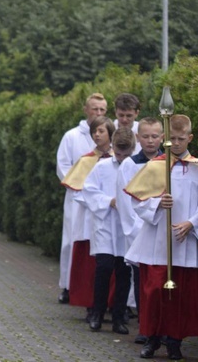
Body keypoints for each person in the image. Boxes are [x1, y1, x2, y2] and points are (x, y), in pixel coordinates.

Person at [125, 114, 198, 360]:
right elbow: (137, 201)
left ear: (190, 138)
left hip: (185, 242)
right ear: (165, 138)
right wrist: (158, 204)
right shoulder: (155, 166)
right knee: (154, 292)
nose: (177, 144)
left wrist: (192, 223)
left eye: (181, 139)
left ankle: (174, 341)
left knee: (180, 296)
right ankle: (151, 339)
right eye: (172, 139)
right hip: (157, 243)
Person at [77, 126, 135, 335]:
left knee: (123, 271)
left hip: (125, 227)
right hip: (105, 224)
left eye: (125, 154)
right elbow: (89, 190)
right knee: (103, 267)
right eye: (118, 154)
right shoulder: (102, 167)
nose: (121, 158)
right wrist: (108, 201)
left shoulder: (135, 168)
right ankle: (97, 313)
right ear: (112, 148)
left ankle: (119, 317)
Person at [56, 93, 107, 304]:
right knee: (71, 240)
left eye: (102, 110)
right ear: (86, 109)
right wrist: (80, 188)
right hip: (77, 197)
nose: (98, 113)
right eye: (94, 109)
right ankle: (67, 285)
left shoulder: (108, 134)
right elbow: (63, 166)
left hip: (101, 200)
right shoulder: (72, 136)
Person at [116, 117, 163, 344]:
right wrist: (137, 232)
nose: (150, 140)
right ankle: (144, 327)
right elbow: (126, 205)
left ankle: (162, 327)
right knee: (141, 280)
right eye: (145, 136)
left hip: (164, 233)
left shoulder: (169, 163)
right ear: (138, 137)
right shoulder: (129, 165)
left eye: (155, 136)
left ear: (162, 137)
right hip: (139, 233)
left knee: (162, 282)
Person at [62, 115, 114, 313]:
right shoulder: (85, 161)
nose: (97, 135)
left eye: (101, 131)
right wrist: (96, 201)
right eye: (95, 131)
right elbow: (76, 190)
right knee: (89, 265)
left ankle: (112, 304)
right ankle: (90, 304)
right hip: (88, 217)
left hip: (111, 216)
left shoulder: (118, 159)